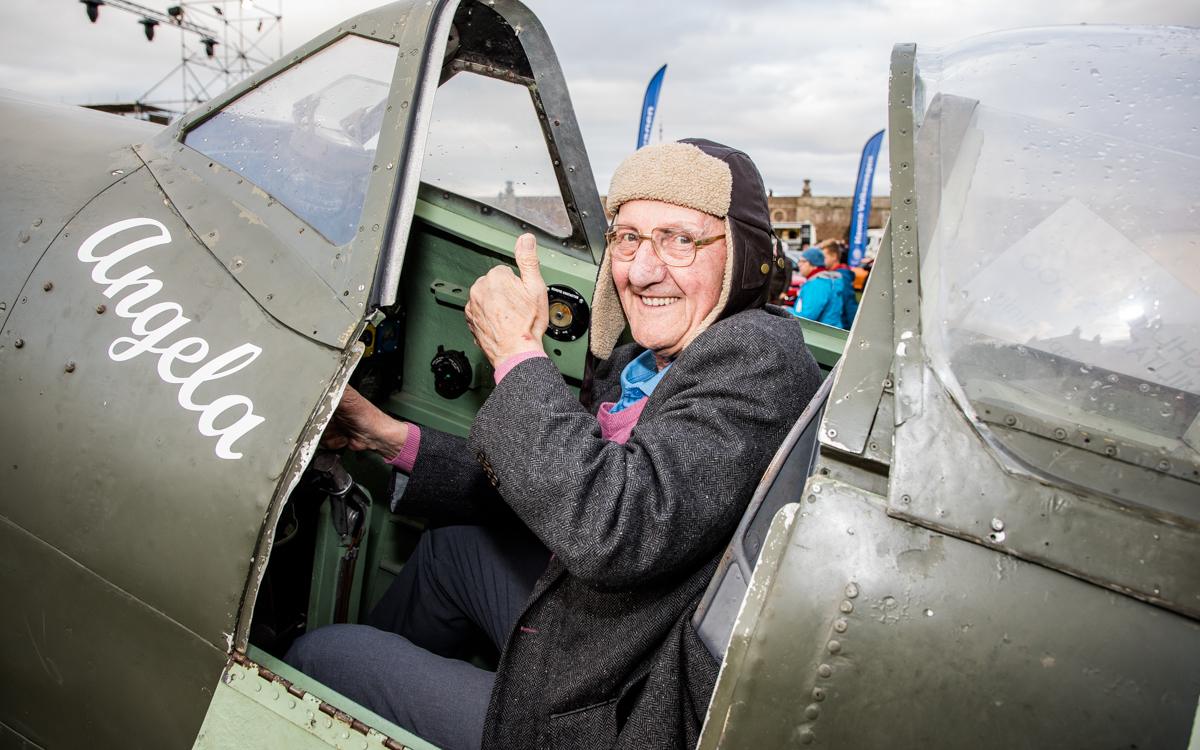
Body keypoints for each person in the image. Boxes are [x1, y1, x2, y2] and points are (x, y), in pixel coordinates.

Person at [286, 138, 821, 750]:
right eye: (628, 238)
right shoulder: (649, 362)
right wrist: (387, 437)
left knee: (320, 654)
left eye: (679, 239)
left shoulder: (757, 358)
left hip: (623, 707)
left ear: (742, 258)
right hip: (615, 635)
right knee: (450, 551)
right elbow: (549, 480)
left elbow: (610, 524)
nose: (642, 271)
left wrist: (517, 353)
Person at [791, 247, 849, 328]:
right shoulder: (823, 281)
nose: (799, 264)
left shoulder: (817, 284)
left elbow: (807, 318)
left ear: (814, 265)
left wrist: (786, 311)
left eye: (803, 261)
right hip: (829, 333)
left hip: (821, 335)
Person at [822, 240, 859, 325]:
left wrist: (853, 328)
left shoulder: (841, 276)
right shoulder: (831, 274)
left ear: (834, 256)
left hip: (842, 326)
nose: (822, 260)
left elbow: (849, 303)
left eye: (824, 257)